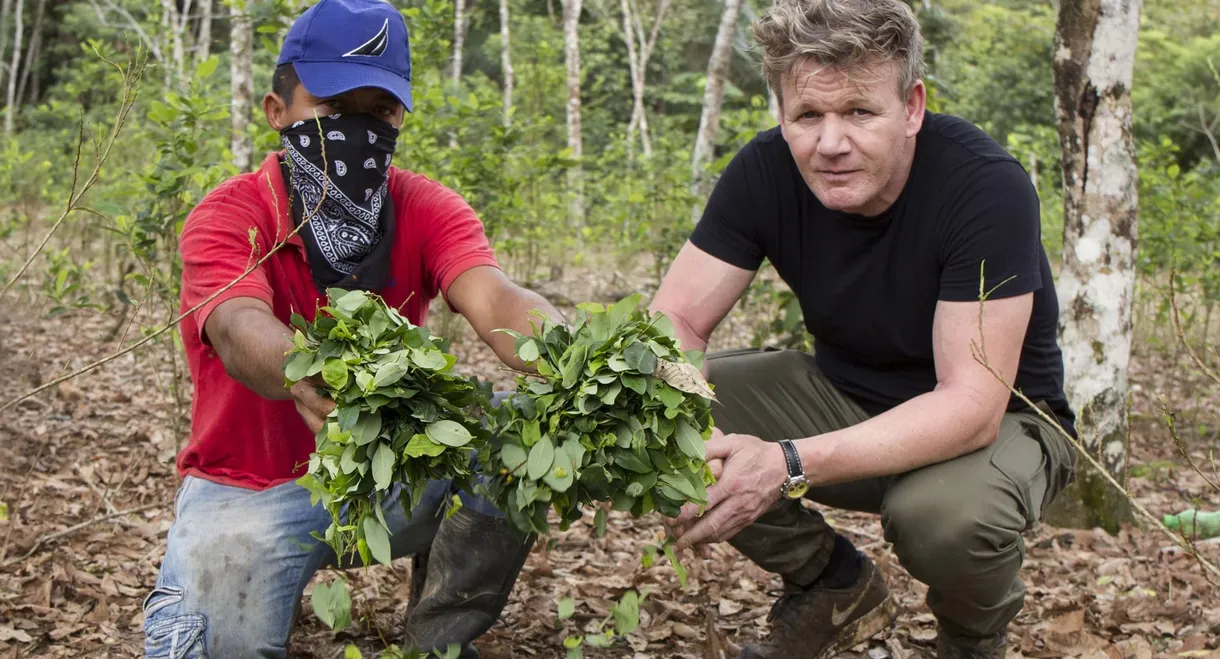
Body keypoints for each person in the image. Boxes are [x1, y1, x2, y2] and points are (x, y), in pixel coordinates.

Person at [653, 1, 1077, 657]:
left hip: (1003, 422)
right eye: (808, 116)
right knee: (647, 408)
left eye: (858, 111)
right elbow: (675, 318)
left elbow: (970, 404)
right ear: (781, 113)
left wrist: (787, 463)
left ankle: (971, 637)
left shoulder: (984, 186)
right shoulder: (765, 171)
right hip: (842, 390)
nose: (830, 143)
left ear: (911, 107)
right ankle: (832, 583)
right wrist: (686, 416)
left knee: (940, 519)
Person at [143, 2, 561, 657]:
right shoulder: (231, 215)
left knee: (513, 436)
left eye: (379, 114)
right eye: (334, 111)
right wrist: (304, 370)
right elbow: (235, 323)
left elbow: (493, 296)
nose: (357, 133)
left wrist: (573, 354)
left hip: (387, 471)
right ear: (276, 111)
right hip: (251, 488)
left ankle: (439, 638)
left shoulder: (421, 205)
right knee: (211, 643)